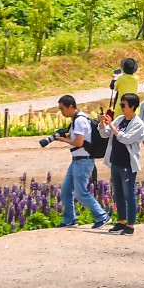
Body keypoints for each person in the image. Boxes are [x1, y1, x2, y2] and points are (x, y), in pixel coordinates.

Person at [53, 94, 110, 230]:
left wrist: (63, 140)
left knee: (80, 192)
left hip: (83, 161)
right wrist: (66, 135)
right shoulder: (77, 118)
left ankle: (102, 216)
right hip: (77, 161)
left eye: (62, 109)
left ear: (71, 107)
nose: (61, 112)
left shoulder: (79, 120)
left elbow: (78, 142)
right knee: (66, 190)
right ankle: (69, 219)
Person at [106, 93, 144, 235]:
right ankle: (121, 222)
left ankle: (131, 225)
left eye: (124, 105)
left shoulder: (138, 124)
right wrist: (103, 124)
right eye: (121, 104)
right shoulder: (120, 119)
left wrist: (112, 126)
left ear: (132, 107)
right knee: (118, 194)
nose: (121, 107)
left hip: (128, 165)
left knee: (129, 195)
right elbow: (105, 133)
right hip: (115, 162)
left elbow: (126, 139)